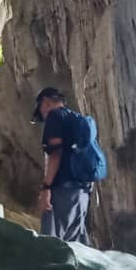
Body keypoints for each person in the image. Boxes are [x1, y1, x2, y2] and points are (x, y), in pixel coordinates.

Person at [31, 86, 91, 244]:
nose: (43, 117)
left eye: (41, 111)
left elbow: (55, 154)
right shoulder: (75, 118)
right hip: (81, 193)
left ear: (45, 102)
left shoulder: (55, 116)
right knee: (76, 247)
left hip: (63, 192)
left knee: (51, 245)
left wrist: (46, 188)